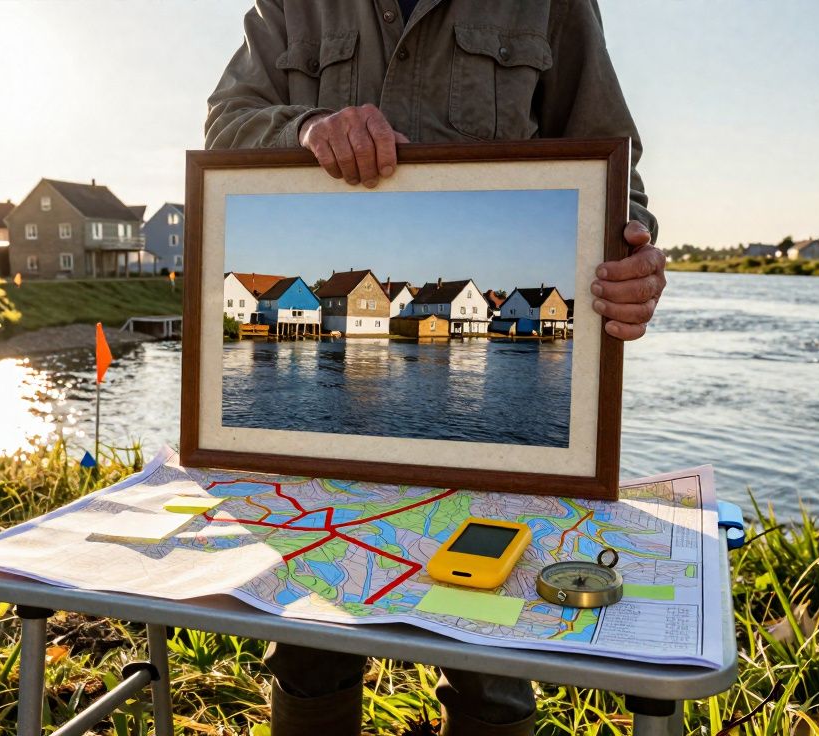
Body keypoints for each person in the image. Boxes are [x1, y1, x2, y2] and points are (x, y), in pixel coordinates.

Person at [205, 2, 665, 733]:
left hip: (498, 473)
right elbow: (227, 120)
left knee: (494, 663)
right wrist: (303, 129)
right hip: (322, 462)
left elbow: (612, 164)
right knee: (310, 645)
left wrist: (631, 251)